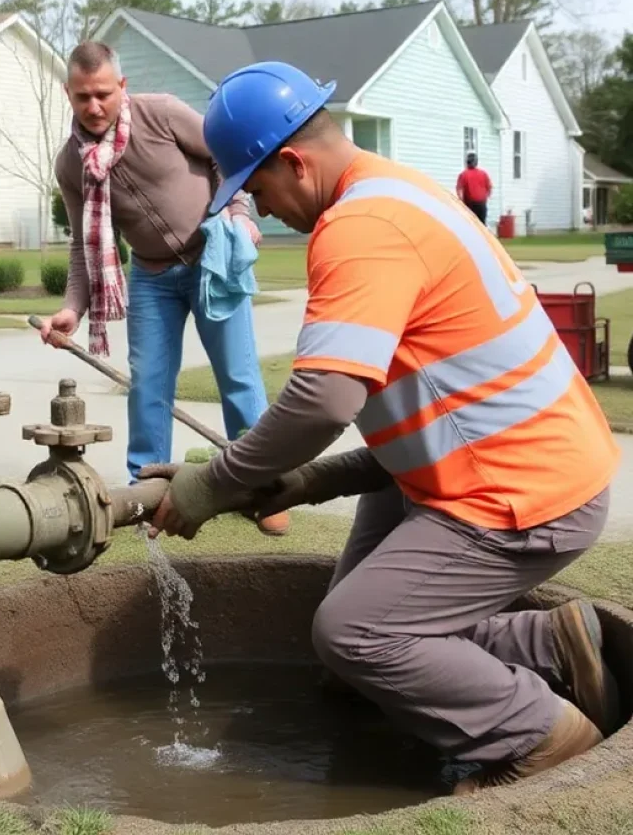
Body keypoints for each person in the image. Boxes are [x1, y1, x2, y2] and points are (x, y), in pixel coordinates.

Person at [141, 60, 622, 792]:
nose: (261, 213)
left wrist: (215, 482)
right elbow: (432, 413)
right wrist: (303, 481)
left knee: (357, 633)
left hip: (522, 491)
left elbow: (324, 400)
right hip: (516, 459)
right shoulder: (398, 189)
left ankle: (539, 729)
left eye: (258, 190)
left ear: (295, 163)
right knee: (359, 647)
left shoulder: (359, 228)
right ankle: (554, 644)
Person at [41, 40, 288, 536]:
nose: (94, 107)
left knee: (237, 378)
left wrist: (239, 214)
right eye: (83, 96)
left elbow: (226, 158)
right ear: (68, 93)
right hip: (151, 277)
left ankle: (262, 489)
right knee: (148, 386)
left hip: (211, 258)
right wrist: (72, 308)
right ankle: (149, 492)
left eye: (104, 94)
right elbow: (82, 246)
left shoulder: (163, 114)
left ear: (122, 87)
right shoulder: (71, 164)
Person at [456, 152, 493, 224]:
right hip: (481, 204)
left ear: (467, 162)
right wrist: (485, 198)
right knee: (482, 226)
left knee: (470, 226)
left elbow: (459, 191)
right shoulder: (483, 174)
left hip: (469, 205)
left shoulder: (463, 174)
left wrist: (462, 202)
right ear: (476, 162)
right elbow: (489, 188)